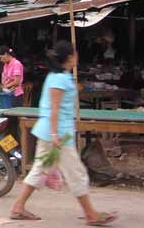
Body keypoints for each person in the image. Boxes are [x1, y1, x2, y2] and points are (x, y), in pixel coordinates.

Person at [9, 40, 116, 226]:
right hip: (57, 134)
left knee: (39, 170)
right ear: (69, 57)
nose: (77, 56)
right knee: (77, 173)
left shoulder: (61, 75)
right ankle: (91, 214)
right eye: (75, 53)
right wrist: (54, 136)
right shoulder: (58, 79)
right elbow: (54, 109)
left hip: (54, 132)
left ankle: (18, 207)